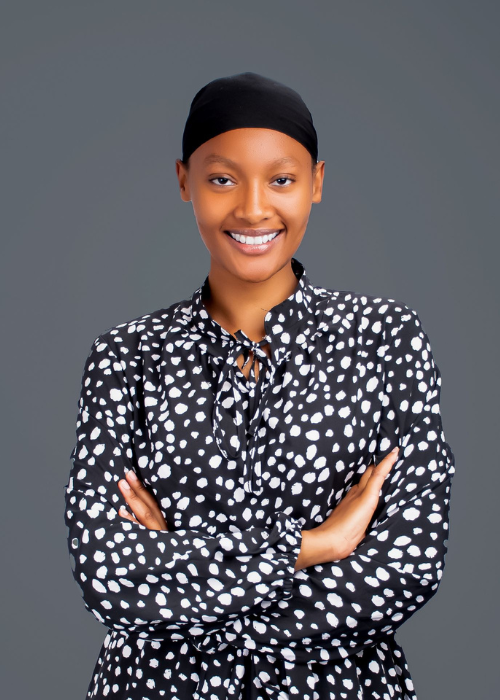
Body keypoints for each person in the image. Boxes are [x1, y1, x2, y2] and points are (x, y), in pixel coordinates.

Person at [64, 72, 456, 700]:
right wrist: (314, 545)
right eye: (222, 179)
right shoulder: (127, 357)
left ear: (316, 183)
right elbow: (108, 576)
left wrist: (180, 575)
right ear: (184, 181)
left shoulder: (385, 341)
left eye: (281, 180)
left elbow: (404, 568)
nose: (252, 208)